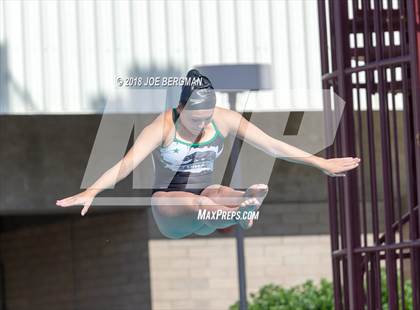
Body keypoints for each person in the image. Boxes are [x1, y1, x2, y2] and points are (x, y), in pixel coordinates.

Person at [56, 69, 360, 239]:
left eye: (207, 117)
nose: (202, 124)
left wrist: (319, 161)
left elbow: (272, 145)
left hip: (207, 198)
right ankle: (241, 212)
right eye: (194, 118)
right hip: (170, 207)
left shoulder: (225, 119)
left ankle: (243, 204)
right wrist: (93, 190)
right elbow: (126, 164)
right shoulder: (161, 126)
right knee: (201, 202)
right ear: (180, 110)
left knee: (220, 192)